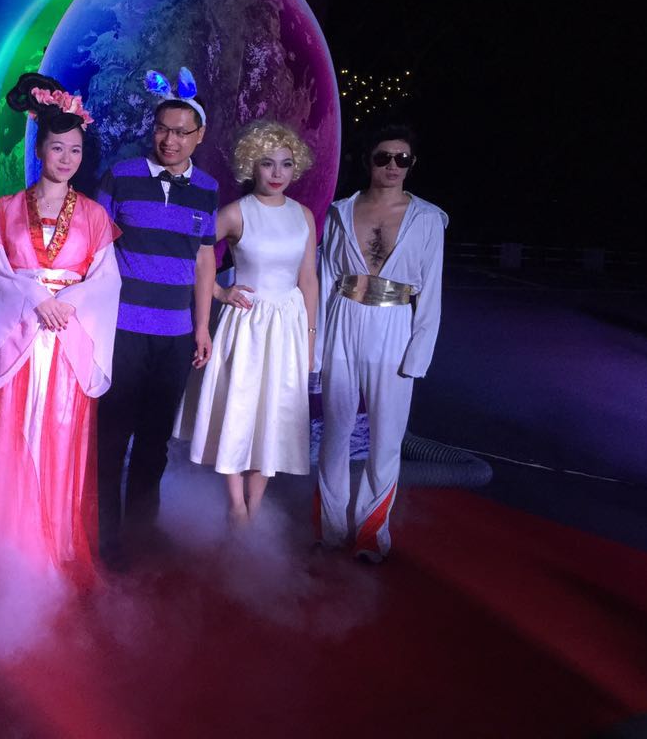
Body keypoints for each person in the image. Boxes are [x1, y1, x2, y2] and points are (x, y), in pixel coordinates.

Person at [0, 74, 120, 588]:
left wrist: (66, 303)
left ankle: (51, 542)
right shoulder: (6, 209)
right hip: (20, 335)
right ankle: (5, 542)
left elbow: (106, 281)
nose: (67, 158)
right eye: (57, 147)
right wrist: (36, 298)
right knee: (11, 434)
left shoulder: (95, 215)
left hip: (67, 338)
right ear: (39, 149)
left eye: (75, 149)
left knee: (58, 430)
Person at [96, 67, 218, 568]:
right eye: (163, 129)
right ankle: (105, 536)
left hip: (175, 336)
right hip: (122, 331)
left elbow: (205, 261)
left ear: (199, 135)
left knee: (155, 441)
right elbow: (95, 246)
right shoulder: (121, 175)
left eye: (182, 132)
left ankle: (141, 532)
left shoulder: (207, 188)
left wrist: (202, 326)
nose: (170, 140)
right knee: (111, 438)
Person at [175, 122, 319, 525]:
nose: (277, 172)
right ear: (251, 165)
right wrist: (221, 293)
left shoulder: (304, 216)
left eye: (286, 164)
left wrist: (310, 341)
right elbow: (194, 258)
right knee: (240, 409)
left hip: (288, 328)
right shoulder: (236, 213)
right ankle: (236, 507)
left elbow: (309, 280)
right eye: (267, 163)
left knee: (273, 414)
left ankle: (254, 511)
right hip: (247, 326)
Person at [316, 125, 447, 562]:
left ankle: (371, 535)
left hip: (395, 324)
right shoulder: (340, 211)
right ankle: (331, 531)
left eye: (401, 159)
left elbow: (432, 292)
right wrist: (316, 344)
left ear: (412, 164)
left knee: (387, 438)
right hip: (343, 317)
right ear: (368, 160)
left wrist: (418, 355)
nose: (392, 166)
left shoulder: (428, 219)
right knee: (335, 433)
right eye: (383, 157)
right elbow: (324, 279)